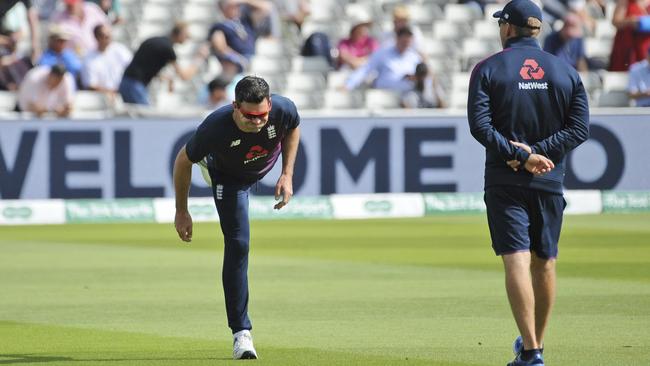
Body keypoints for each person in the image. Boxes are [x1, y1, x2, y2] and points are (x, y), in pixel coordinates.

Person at [467, 1, 590, 365]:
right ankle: (535, 345)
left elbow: (480, 126)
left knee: (516, 260)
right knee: (546, 262)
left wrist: (522, 155)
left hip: (505, 179)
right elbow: (579, 129)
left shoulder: (488, 68)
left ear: (507, 28)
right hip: (549, 179)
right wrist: (540, 154)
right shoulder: (565, 71)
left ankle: (532, 350)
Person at [172, 76, 300, 360]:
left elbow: (292, 127)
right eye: (249, 116)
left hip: (259, 168)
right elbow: (183, 160)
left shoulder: (282, 109)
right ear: (234, 106)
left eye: (262, 115)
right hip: (226, 177)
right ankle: (241, 333)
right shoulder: (215, 126)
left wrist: (287, 173)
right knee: (239, 244)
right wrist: (182, 211)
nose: (257, 122)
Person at [118, 22, 207, 105]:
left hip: (126, 82)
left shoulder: (155, 41)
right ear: (180, 34)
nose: (188, 38)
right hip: (135, 86)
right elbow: (184, 76)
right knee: (145, 118)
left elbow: (144, 66)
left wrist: (167, 78)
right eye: (187, 35)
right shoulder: (167, 49)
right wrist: (199, 59)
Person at [345, 27, 422, 93]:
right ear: (397, 39)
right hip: (384, 96)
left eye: (407, 42)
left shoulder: (414, 57)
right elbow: (365, 69)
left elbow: (423, 78)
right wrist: (348, 85)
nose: (405, 44)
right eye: (403, 41)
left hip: (408, 96)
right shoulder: (383, 53)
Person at [208, 0, 272, 71]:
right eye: (232, 6)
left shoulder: (245, 21)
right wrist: (239, 59)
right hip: (235, 65)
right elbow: (220, 48)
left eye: (237, 6)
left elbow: (266, 8)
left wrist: (243, 1)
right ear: (224, 8)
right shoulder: (220, 26)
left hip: (252, 61)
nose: (237, 8)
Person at [81, 24, 132, 95]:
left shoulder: (120, 50)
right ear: (97, 37)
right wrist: (110, 92)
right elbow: (90, 85)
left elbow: (132, 69)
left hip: (124, 92)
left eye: (109, 35)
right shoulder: (88, 58)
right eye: (104, 36)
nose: (108, 38)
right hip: (101, 97)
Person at [609, 0, 650, 71]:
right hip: (627, 47)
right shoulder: (625, 1)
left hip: (645, 48)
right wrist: (630, 21)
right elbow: (615, 21)